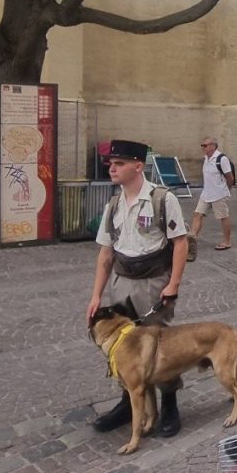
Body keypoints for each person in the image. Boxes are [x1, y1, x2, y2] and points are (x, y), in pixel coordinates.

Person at [86, 138, 189, 438]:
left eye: (118, 164)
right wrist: (96, 296)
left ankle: (169, 405)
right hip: (121, 282)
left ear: (137, 166)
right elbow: (106, 253)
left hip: (153, 282)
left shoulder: (161, 199)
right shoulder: (114, 203)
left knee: (159, 347)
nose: (112, 168)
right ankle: (126, 401)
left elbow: (180, 243)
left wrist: (173, 284)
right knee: (121, 345)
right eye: (111, 164)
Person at [188, 136, 234, 256]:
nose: (203, 147)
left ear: (213, 146)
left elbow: (230, 178)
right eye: (202, 145)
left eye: (205, 145)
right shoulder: (206, 158)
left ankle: (227, 241)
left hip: (219, 194)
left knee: (223, 217)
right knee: (198, 214)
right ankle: (191, 240)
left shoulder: (222, 159)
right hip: (206, 192)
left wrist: (225, 191)